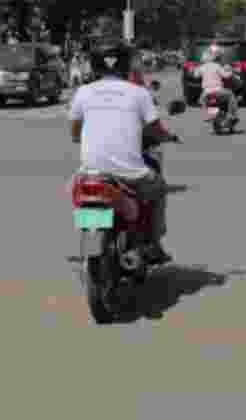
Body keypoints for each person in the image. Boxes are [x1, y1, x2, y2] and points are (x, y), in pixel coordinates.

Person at [69, 41, 175, 263]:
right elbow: (155, 129)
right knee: (158, 188)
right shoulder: (139, 93)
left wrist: (79, 137)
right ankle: (154, 243)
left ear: (94, 65)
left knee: (75, 189)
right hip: (130, 174)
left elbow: (75, 130)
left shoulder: (83, 92)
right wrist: (166, 136)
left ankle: (89, 235)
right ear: (126, 64)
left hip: (91, 173)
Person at [199, 43, 236, 118]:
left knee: (202, 100)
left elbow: (196, 74)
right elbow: (226, 76)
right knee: (231, 95)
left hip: (206, 92)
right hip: (218, 90)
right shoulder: (217, 66)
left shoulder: (202, 67)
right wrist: (231, 71)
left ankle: (206, 114)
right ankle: (231, 115)